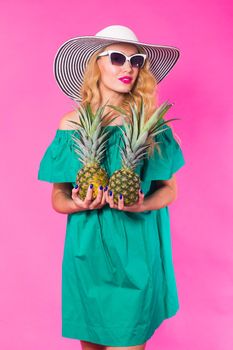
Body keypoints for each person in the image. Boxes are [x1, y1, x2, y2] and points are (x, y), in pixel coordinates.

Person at [37, 25, 186, 350]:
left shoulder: (150, 123)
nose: (127, 68)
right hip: (86, 256)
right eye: (117, 58)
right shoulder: (71, 125)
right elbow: (57, 198)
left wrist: (142, 205)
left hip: (137, 256)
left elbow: (169, 190)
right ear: (96, 63)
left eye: (136, 61)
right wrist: (77, 203)